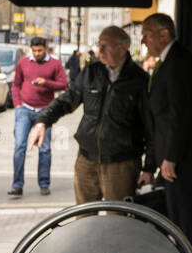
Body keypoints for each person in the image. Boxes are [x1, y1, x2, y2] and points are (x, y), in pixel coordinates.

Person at [29, 26, 150, 203]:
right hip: (86, 159)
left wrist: (150, 166)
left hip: (121, 164)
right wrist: (42, 121)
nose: (98, 51)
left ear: (123, 48)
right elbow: (67, 100)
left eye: (104, 46)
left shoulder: (139, 79)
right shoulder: (91, 72)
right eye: (98, 45)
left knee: (117, 221)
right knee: (84, 220)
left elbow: (151, 125)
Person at [138, 14, 192, 253]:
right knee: (175, 215)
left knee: (184, 216)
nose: (143, 39)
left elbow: (180, 114)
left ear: (164, 34)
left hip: (180, 159)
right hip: (172, 156)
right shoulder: (168, 61)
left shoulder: (179, 62)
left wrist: (170, 157)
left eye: (147, 33)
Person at [8, 37, 68, 197]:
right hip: (24, 109)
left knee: (45, 149)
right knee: (19, 147)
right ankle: (17, 185)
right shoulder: (23, 62)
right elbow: (16, 83)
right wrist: (17, 104)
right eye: (34, 51)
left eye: (40, 50)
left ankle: (44, 183)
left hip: (45, 111)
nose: (37, 53)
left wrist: (46, 83)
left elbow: (64, 84)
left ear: (46, 49)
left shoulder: (55, 64)